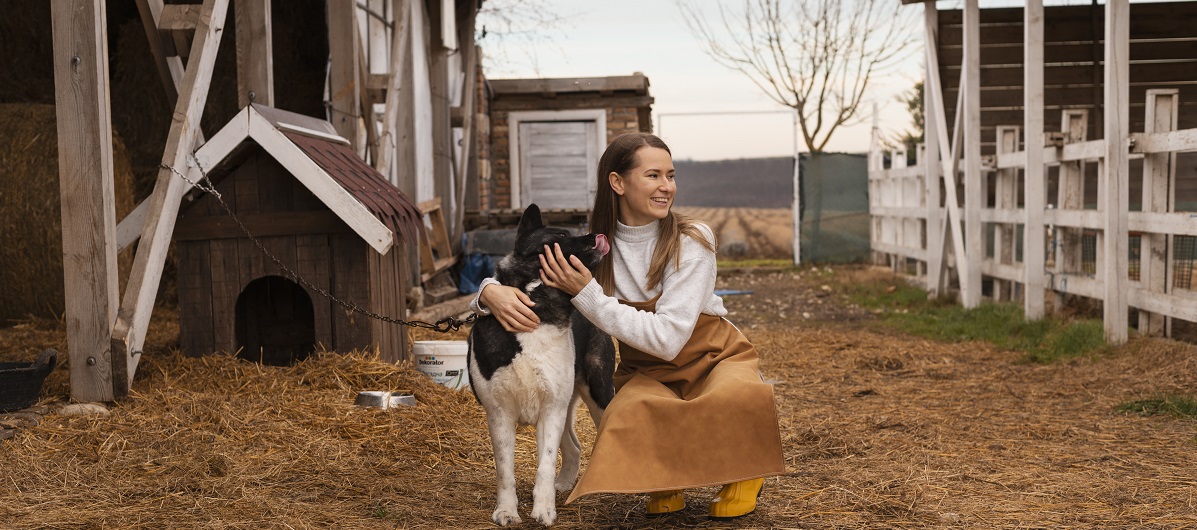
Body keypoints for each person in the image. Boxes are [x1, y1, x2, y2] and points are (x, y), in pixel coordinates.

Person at [471, 132, 786, 519]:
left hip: (712, 358)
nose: (666, 186)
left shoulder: (692, 240)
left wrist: (586, 292)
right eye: (653, 175)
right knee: (625, 414)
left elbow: (668, 339)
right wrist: (487, 293)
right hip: (649, 370)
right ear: (618, 183)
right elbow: (524, 271)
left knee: (735, 398)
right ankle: (666, 477)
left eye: (671, 175)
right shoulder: (599, 248)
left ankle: (743, 474)